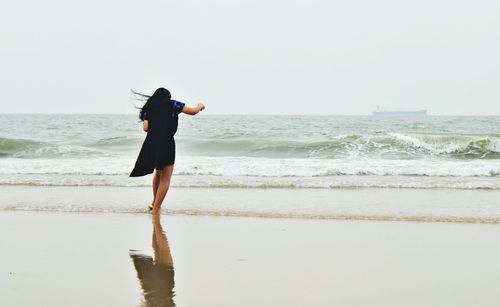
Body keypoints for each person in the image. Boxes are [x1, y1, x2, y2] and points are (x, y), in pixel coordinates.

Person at [130, 87, 205, 213]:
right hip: (167, 142)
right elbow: (192, 111)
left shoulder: (149, 109)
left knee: (158, 173)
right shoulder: (173, 104)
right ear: (167, 97)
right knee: (165, 178)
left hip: (151, 143)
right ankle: (156, 209)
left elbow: (146, 128)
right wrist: (200, 106)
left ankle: (154, 203)